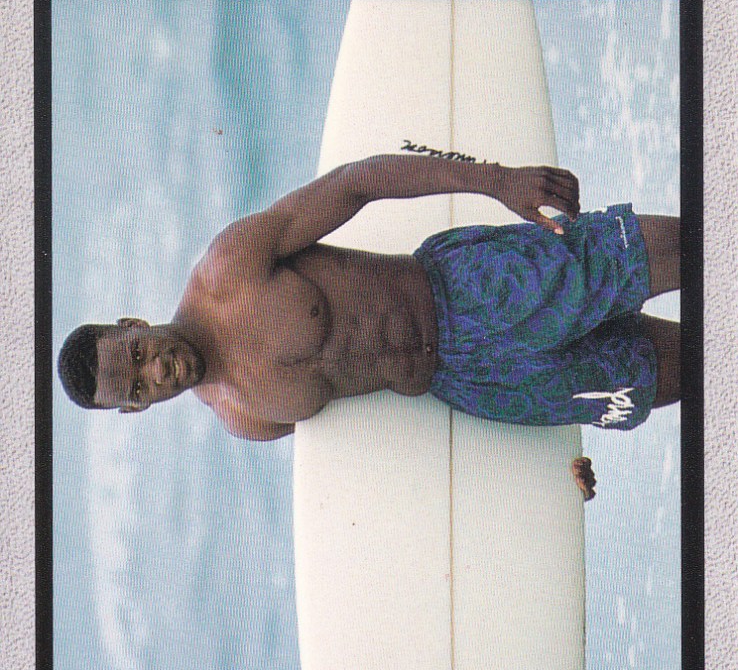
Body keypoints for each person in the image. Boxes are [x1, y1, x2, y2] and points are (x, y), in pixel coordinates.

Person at [58, 156, 680, 499]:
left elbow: (356, 185)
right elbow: (390, 437)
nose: (156, 371)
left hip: (471, 288)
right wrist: (552, 473)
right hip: (477, 382)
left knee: (686, 250)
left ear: (132, 324)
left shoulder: (231, 268)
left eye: (136, 353)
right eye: (137, 387)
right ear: (136, 409)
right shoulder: (248, 418)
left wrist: (497, 181)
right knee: (685, 371)